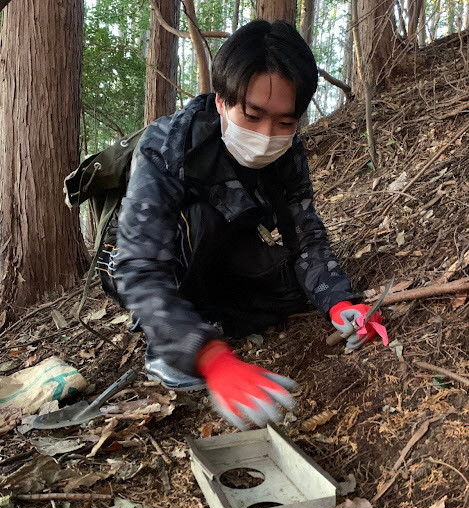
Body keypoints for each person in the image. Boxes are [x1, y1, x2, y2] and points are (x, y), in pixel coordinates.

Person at [100, 20, 387, 430]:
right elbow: (138, 266)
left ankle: (207, 317)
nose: (267, 136)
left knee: (291, 284)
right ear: (221, 101)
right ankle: (170, 341)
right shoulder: (168, 145)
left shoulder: (288, 154)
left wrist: (340, 302)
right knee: (200, 221)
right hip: (147, 261)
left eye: (285, 123)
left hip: (225, 247)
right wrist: (209, 357)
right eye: (251, 115)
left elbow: (305, 235)